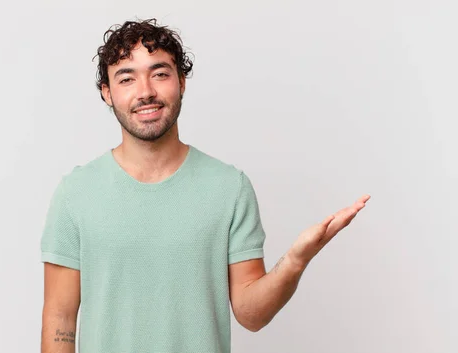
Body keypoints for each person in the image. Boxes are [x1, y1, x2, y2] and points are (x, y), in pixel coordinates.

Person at [39, 18, 370, 353]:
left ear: (181, 82)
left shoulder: (230, 188)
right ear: (107, 93)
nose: (145, 91)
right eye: (127, 78)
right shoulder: (76, 194)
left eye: (160, 73)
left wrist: (296, 259)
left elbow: (251, 315)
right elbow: (60, 319)